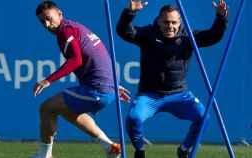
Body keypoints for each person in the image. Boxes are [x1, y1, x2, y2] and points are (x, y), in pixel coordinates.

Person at [116, 0, 228, 158]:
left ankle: (184, 149)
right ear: (159, 21)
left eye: (174, 22)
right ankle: (140, 150)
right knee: (134, 118)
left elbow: (213, 36)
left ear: (180, 22)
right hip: (149, 95)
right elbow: (124, 31)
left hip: (179, 94)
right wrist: (130, 12)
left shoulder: (188, 36)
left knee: (203, 118)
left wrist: (221, 18)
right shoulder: (148, 34)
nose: (170, 26)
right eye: (166, 22)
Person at [32, 1, 130, 158]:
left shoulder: (65, 31)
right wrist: (113, 85)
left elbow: (76, 60)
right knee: (66, 110)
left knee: (47, 108)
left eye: (49, 18)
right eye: (42, 21)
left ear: (60, 14)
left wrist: (48, 80)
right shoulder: (73, 27)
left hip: (98, 89)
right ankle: (109, 147)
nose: (47, 24)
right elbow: (97, 56)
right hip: (106, 87)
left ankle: (44, 155)